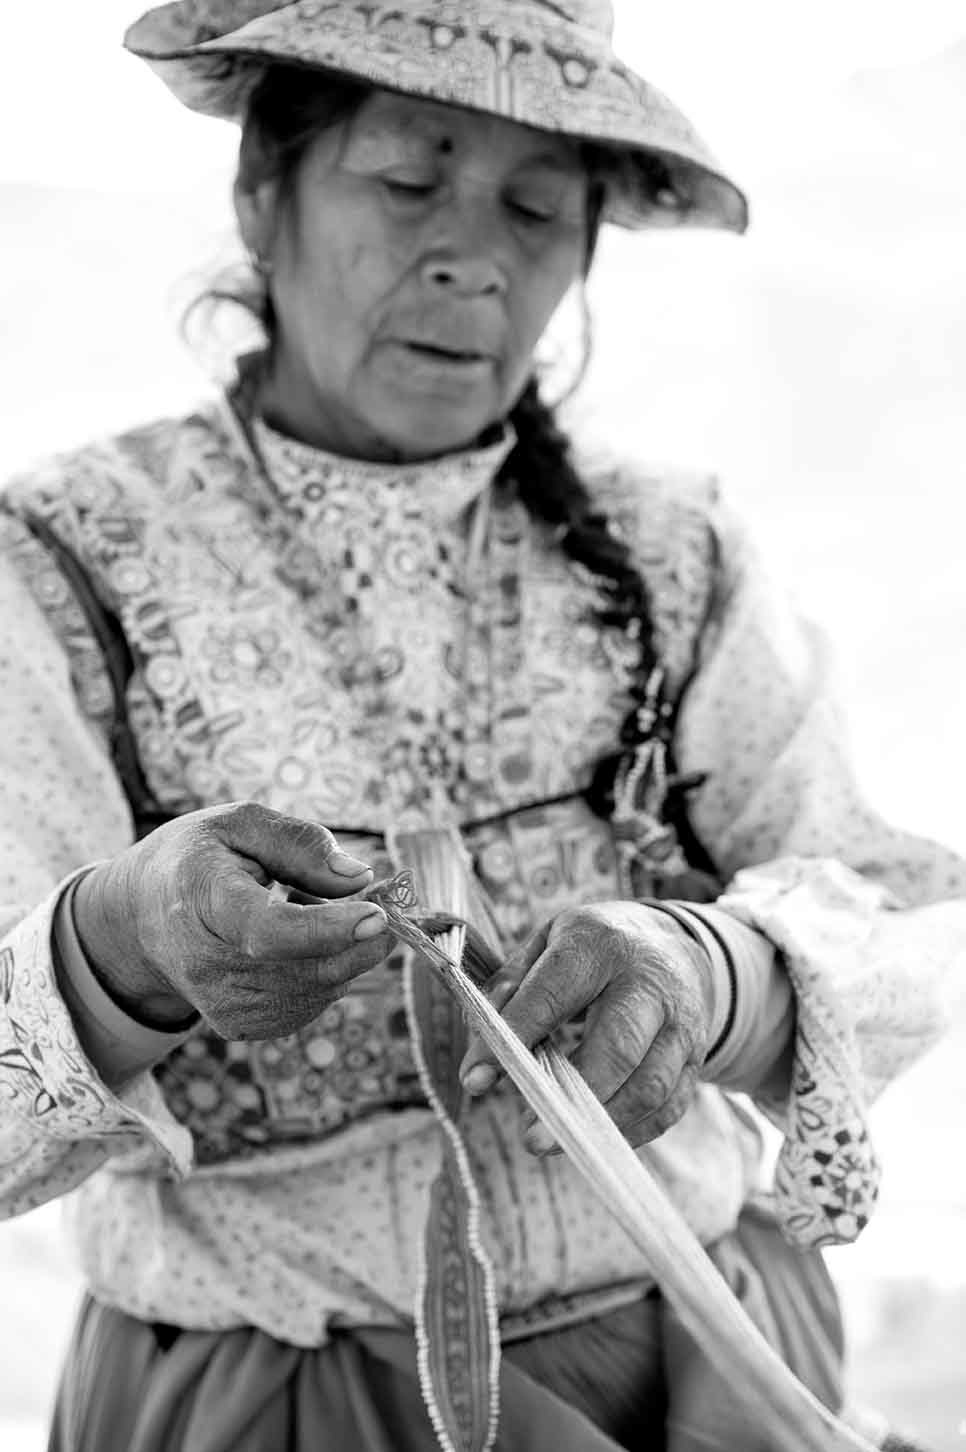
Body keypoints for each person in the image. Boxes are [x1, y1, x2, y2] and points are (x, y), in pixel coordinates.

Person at [0, 3, 962, 1449]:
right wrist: (123, 944)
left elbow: (892, 915)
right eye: (407, 181)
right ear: (263, 192)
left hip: (712, 1359)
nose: (473, 257)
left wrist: (704, 973)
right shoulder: (60, 564)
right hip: (286, 1401)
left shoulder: (676, 551)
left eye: (535, 207)